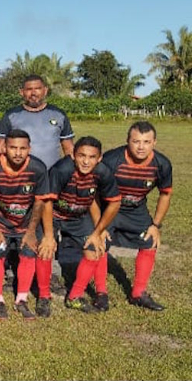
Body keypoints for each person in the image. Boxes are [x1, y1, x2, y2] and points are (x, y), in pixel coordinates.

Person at [0, 74, 75, 295]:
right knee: (17, 224)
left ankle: (51, 273)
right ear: (22, 92)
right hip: (19, 182)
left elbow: (69, 149)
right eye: (28, 89)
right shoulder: (12, 115)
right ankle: (13, 269)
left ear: (45, 90)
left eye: (37, 88)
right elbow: (0, 148)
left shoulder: (58, 114)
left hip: (51, 182)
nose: (33, 93)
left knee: (48, 229)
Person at [101, 121, 172, 311]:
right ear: (127, 141)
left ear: (154, 142)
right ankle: (101, 294)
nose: (141, 147)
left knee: (150, 242)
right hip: (109, 207)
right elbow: (95, 190)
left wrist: (155, 225)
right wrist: (97, 225)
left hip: (136, 210)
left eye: (146, 142)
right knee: (99, 243)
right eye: (136, 141)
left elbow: (165, 194)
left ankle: (138, 293)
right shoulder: (111, 160)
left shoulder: (162, 164)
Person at [47, 137, 121, 314]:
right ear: (73, 155)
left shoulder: (103, 172)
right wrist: (49, 234)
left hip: (78, 216)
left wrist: (99, 231)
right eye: (81, 156)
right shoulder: (61, 170)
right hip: (54, 214)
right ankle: (42, 292)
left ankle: (78, 296)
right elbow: (46, 203)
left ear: (99, 158)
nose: (86, 161)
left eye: (91, 157)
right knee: (44, 248)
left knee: (95, 247)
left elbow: (113, 202)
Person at [0, 129, 54, 319]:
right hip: (0, 221)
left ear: (29, 149)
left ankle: (21, 299)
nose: (17, 153)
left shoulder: (38, 168)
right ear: (4, 148)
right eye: (13, 148)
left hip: (26, 221)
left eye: (22, 148)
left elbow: (40, 201)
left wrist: (31, 231)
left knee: (29, 251)